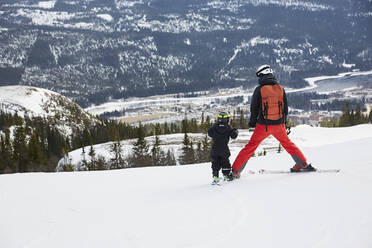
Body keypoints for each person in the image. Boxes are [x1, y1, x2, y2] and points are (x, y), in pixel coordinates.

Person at [231, 65, 315, 179]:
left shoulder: (259, 89)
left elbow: (254, 108)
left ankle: (236, 170)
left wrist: (252, 122)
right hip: (279, 125)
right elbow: (285, 109)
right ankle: (303, 164)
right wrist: (284, 124)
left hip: (263, 126)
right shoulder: (280, 88)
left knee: (250, 147)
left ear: (261, 75)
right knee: (288, 145)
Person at [208, 112, 239, 184]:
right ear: (226, 119)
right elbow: (233, 136)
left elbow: (209, 133)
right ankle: (226, 176)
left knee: (215, 162)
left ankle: (215, 176)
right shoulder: (228, 127)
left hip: (215, 148)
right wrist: (235, 131)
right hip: (224, 149)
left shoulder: (215, 127)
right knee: (225, 162)